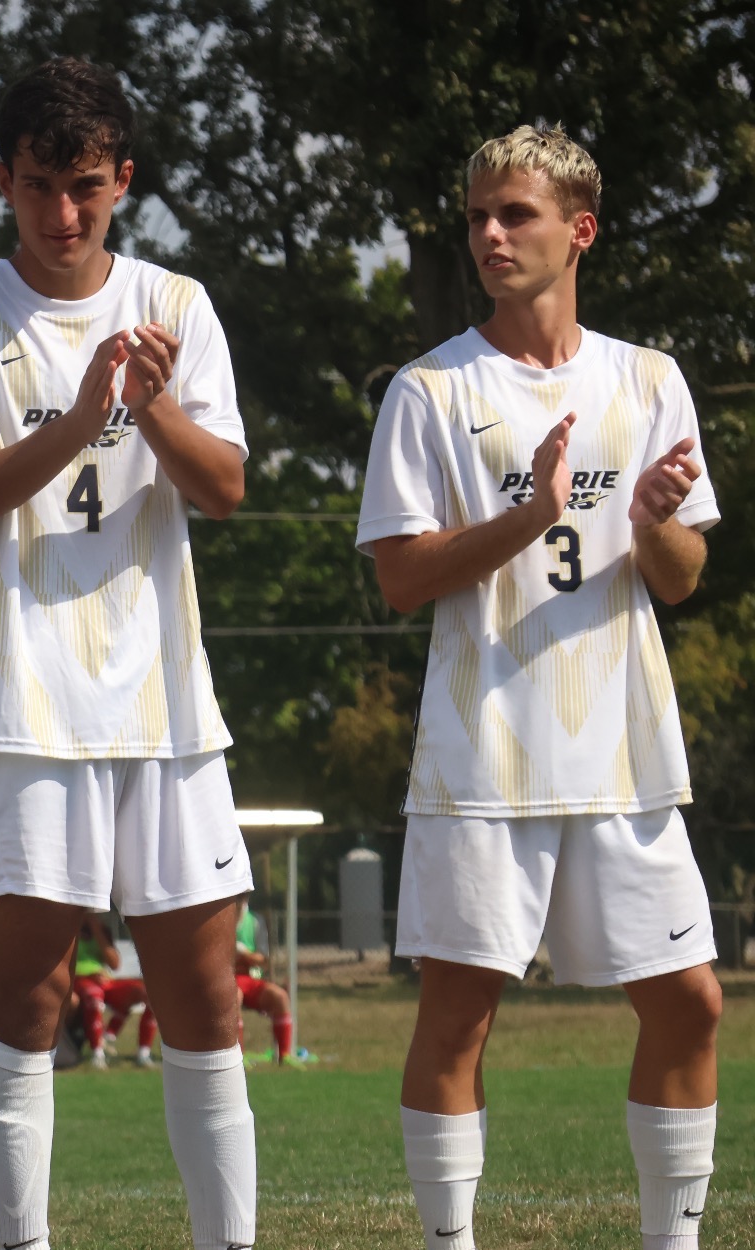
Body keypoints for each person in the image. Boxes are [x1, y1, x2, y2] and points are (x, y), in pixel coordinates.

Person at [0, 57, 258, 1250]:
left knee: (205, 995)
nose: (63, 215)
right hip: (28, 704)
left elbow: (222, 490)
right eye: (40, 187)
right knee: (27, 993)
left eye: (87, 190)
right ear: (1, 180)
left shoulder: (177, 306)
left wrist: (146, 404)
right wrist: (73, 419)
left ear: (124, 183)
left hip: (163, 705)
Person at [358, 126, 722, 1250]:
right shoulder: (426, 390)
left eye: (512, 213)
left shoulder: (647, 378)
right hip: (483, 751)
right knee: (458, 1014)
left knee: (687, 1001)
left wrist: (651, 525)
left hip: (620, 751)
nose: (487, 235)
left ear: (580, 229)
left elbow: (679, 577)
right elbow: (400, 579)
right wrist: (527, 515)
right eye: (475, 215)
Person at [231, 902, 296, 1067]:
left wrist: (245, 954)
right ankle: (238, 1057)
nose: (241, 900)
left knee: (280, 996)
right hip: (228, 979)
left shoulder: (255, 921)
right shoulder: (220, 919)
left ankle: (284, 1055)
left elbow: (263, 960)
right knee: (234, 997)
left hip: (250, 979)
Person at [70, 913, 121, 1070]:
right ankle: (97, 1053)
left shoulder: (101, 930)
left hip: (101, 980)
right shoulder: (68, 929)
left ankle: (109, 1035)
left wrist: (96, 927)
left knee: (140, 992)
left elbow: (114, 964)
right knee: (93, 994)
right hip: (79, 982)